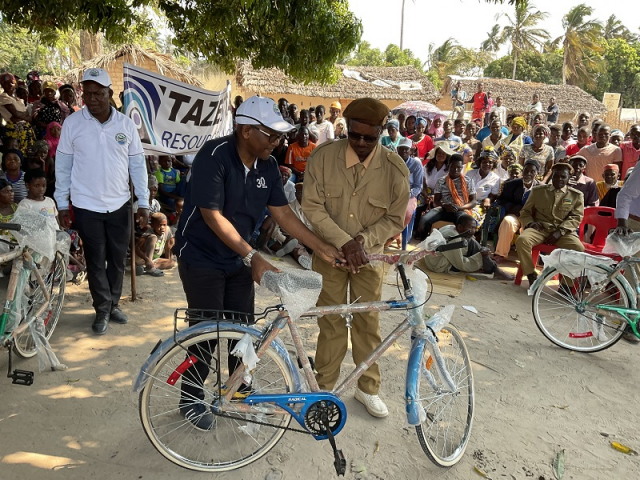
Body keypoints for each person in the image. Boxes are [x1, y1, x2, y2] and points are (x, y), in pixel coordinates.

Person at [174, 96, 342, 429]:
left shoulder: (266, 166)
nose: (278, 142)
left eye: (280, 136)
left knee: (243, 330)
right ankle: (190, 398)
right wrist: (252, 257)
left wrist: (321, 247)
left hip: (238, 258)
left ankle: (237, 389)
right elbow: (212, 216)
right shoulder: (214, 156)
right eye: (271, 135)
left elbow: (282, 213)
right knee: (205, 333)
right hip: (201, 256)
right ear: (246, 130)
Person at [302, 97, 409, 418]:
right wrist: (345, 242)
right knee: (330, 321)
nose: (361, 143)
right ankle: (325, 388)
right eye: (355, 135)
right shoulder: (322, 158)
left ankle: (367, 388)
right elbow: (312, 207)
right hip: (330, 255)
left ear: (382, 132)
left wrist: (362, 242)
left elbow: (394, 218)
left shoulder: (395, 169)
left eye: (370, 137)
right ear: (347, 128)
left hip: (370, 259)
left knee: (367, 323)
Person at [55, 68, 150, 335]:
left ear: (110, 93)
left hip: (119, 204)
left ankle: (113, 303)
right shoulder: (73, 124)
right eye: (88, 93)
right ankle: (101, 308)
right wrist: (62, 203)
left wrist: (143, 201)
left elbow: (137, 166)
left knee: (118, 258)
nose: (92, 99)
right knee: (96, 259)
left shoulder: (125, 125)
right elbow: (63, 166)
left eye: (99, 93)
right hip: (86, 205)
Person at [516, 163, 585, 284]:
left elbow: (576, 217)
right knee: (522, 240)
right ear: (552, 176)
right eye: (556, 176)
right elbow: (525, 212)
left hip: (563, 232)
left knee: (577, 248)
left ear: (569, 178)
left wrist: (560, 232)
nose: (559, 179)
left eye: (563, 177)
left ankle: (566, 284)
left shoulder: (576, 195)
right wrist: (530, 223)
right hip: (540, 229)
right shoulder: (538, 191)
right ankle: (531, 274)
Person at [419, 214, 513, 279]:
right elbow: (461, 264)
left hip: (437, 258)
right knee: (481, 255)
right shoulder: (454, 239)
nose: (474, 231)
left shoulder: (451, 227)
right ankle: (492, 267)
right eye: (471, 227)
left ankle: (491, 265)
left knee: (471, 240)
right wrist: (481, 257)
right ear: (460, 227)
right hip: (437, 265)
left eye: (474, 228)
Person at [416, 154, 476, 239]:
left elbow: (473, 202)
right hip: (443, 209)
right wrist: (445, 205)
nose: (455, 170)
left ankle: (462, 246)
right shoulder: (441, 181)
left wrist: (460, 208)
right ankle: (425, 243)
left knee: (467, 225)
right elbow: (436, 202)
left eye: (458, 167)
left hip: (460, 210)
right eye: (453, 167)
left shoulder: (468, 181)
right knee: (424, 221)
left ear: (461, 167)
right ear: (449, 165)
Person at [494, 160, 541, 261]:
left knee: (529, 229)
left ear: (537, 174)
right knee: (507, 221)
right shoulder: (511, 185)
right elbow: (501, 200)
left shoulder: (542, 188)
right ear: (522, 171)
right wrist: (515, 208)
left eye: (532, 171)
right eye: (525, 171)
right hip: (516, 214)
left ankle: (527, 259)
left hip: (532, 218)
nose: (528, 174)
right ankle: (500, 254)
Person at [396, 136, 424, 241]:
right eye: (401, 148)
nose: (403, 151)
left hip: (409, 194)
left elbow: (418, 186)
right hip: (393, 193)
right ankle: (387, 234)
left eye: (406, 149)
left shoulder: (416, 164)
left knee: (407, 212)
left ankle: (392, 237)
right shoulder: (392, 162)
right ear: (397, 149)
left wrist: (408, 194)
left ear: (410, 151)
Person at [0, 73, 36, 153]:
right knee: (16, 155)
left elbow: (24, 116)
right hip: (14, 133)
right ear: (2, 85)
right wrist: (25, 116)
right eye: (6, 83)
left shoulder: (18, 100)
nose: (10, 85)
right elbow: (16, 114)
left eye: (12, 83)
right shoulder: (3, 97)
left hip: (26, 132)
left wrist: (21, 116)